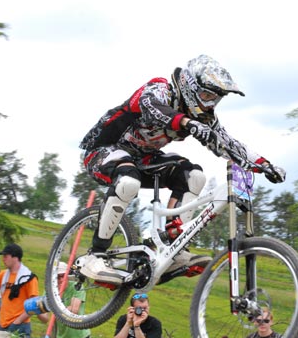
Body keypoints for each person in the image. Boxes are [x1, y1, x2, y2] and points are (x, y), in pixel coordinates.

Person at [79, 54, 286, 285]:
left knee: (194, 177)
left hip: (145, 158)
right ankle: (95, 255)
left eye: (215, 100)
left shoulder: (201, 117)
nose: (209, 104)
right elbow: (151, 107)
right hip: (104, 150)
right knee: (128, 181)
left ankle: (171, 248)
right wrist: (187, 123)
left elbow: (227, 143)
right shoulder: (159, 89)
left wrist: (265, 165)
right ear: (190, 86)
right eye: (207, 96)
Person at [0, 243, 47, 338]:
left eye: (6, 256)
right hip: (3, 324)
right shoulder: (3, 275)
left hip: (20, 326)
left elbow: (33, 305)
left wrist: (18, 321)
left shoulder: (29, 278)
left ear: (15, 258)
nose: (3, 259)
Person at [55, 262, 91, 338]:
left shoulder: (77, 286)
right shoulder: (51, 289)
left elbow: (74, 310)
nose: (60, 280)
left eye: (63, 276)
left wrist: (60, 293)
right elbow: (44, 315)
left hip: (81, 336)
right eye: (57, 277)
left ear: (67, 275)